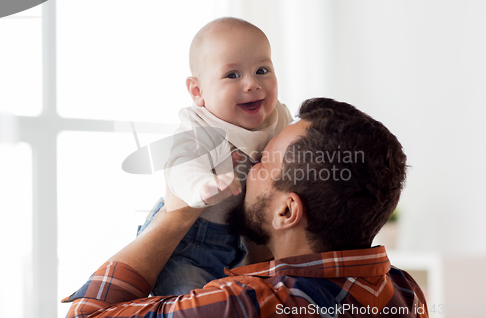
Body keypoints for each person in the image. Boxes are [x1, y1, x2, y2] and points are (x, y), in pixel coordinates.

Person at [63, 98, 428, 318]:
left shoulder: (248, 304)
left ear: (286, 211)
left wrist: (176, 215)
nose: (250, 166)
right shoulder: (404, 293)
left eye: (262, 161)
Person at [135, 17, 292, 296]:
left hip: (241, 243)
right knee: (187, 301)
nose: (252, 84)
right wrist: (201, 186)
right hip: (189, 245)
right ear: (198, 91)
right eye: (233, 75)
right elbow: (180, 166)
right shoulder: (202, 126)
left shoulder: (278, 117)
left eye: (262, 70)